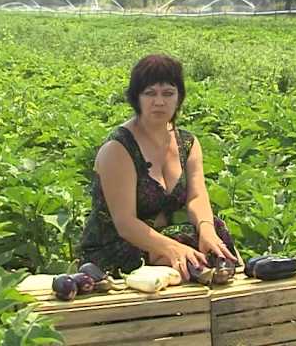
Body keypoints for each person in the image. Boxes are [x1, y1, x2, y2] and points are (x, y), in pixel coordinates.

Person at [80, 54, 241, 280]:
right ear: (136, 98)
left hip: (163, 237)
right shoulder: (118, 148)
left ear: (179, 98)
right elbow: (125, 224)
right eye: (150, 93)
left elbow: (196, 197)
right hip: (120, 245)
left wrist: (206, 229)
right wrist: (173, 249)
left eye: (168, 93)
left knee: (215, 234)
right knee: (190, 257)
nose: (159, 102)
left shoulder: (188, 143)